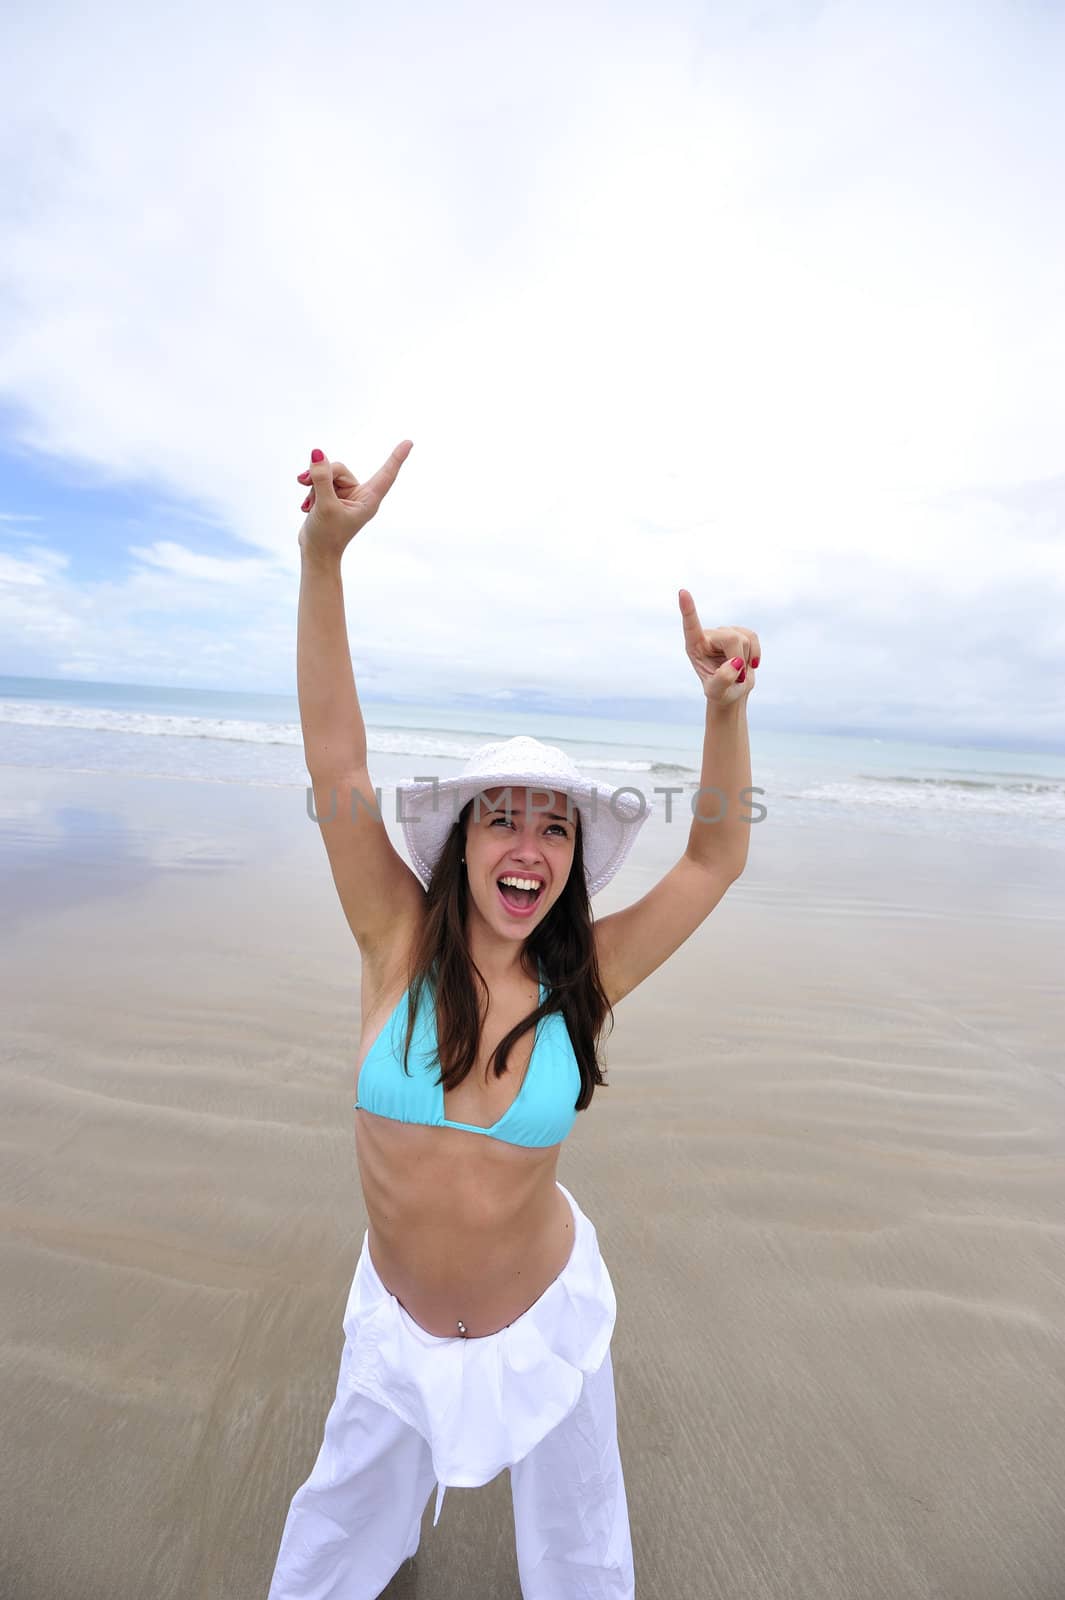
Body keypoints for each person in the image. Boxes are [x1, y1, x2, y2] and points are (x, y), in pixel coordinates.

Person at [267, 441, 760, 1599]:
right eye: (504, 822)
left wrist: (723, 710)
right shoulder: (391, 936)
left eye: (556, 827)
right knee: (334, 1546)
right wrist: (323, 556)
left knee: (583, 1559)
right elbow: (337, 758)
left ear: (574, 858)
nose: (528, 847)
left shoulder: (585, 974)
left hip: (546, 1330)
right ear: (464, 841)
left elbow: (715, 857)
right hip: (393, 1334)